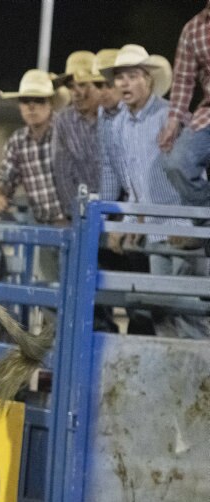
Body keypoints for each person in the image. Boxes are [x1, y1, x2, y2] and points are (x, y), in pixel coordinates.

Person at [100, 45, 210, 339]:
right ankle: (175, 380)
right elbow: (130, 184)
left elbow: (196, 166)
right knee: (163, 311)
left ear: (148, 80)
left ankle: (201, 378)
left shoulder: (169, 116)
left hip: (185, 227)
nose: (124, 83)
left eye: (132, 76)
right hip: (154, 230)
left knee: (190, 310)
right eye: (120, 77)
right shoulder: (118, 125)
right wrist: (122, 221)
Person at [0, 69, 67, 226]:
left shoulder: (67, 133)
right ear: (20, 106)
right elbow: (5, 177)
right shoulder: (18, 141)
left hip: (75, 225)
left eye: (39, 100)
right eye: (25, 100)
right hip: (43, 227)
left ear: (51, 103)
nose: (32, 106)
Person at [160, 2, 210, 208]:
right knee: (177, 164)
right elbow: (182, 79)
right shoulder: (193, 29)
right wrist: (173, 121)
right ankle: (206, 222)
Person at [51, 51, 103, 219]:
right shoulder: (63, 121)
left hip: (118, 213)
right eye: (72, 86)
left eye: (83, 85)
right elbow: (62, 172)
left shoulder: (116, 118)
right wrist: (78, 214)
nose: (76, 92)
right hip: (81, 213)